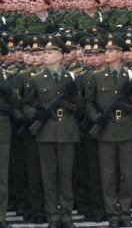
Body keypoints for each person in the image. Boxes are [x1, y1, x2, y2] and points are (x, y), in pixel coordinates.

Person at [21, 35, 84, 228]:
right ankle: (53, 217)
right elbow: (25, 105)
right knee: (49, 177)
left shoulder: (70, 77)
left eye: (50, 53)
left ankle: (66, 216)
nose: (45, 56)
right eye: (45, 53)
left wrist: (76, 95)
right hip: (46, 131)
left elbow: (79, 108)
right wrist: (35, 114)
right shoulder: (36, 79)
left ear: (60, 56)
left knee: (65, 177)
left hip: (67, 131)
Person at [84, 35, 132, 227]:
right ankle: (112, 215)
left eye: (110, 51)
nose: (106, 54)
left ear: (121, 54)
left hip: (126, 129)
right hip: (106, 129)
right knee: (108, 175)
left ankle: (125, 213)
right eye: (105, 51)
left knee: (127, 174)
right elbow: (89, 102)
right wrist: (95, 117)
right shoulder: (96, 76)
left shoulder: (130, 75)